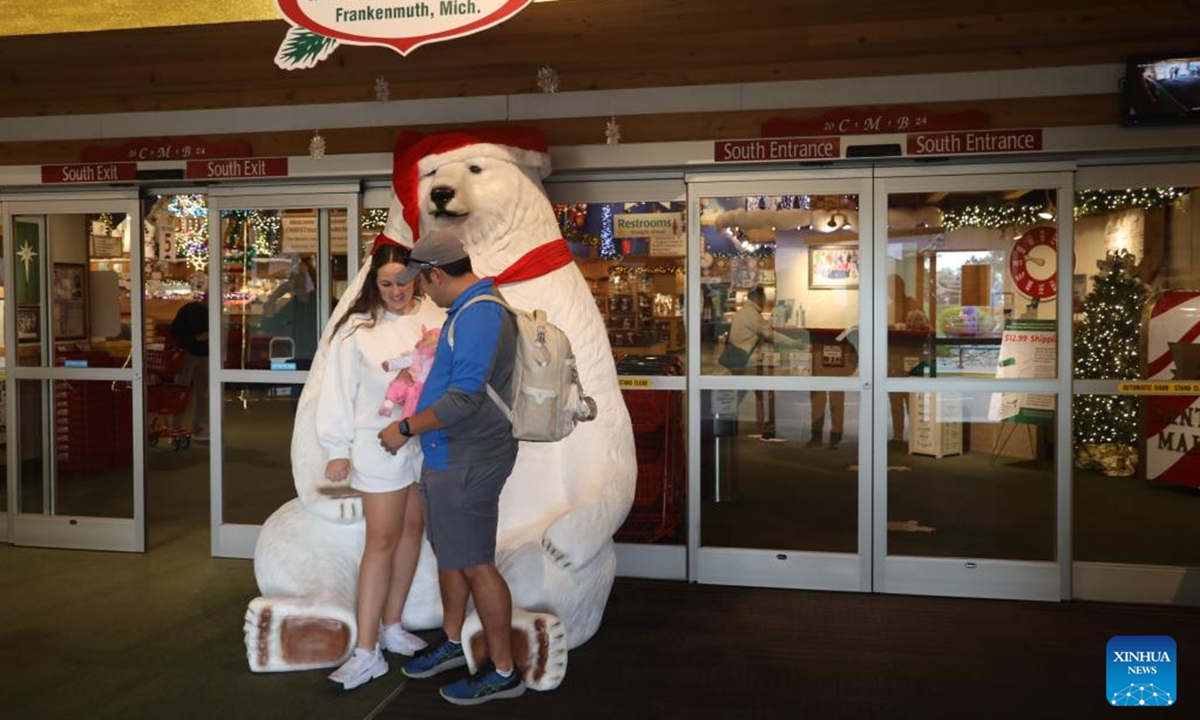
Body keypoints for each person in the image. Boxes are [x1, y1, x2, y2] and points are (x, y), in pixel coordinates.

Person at [377, 229, 525, 706]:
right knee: (455, 556)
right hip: (451, 454)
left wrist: (404, 428)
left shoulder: (480, 314)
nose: (422, 290)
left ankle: (503, 670)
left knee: (476, 562)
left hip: (468, 456)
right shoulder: (470, 310)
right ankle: (454, 640)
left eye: (423, 281)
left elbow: (464, 398)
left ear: (438, 273)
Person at [319, 240, 446, 691]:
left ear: (420, 277)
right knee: (382, 541)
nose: (397, 291)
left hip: (428, 442)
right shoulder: (356, 330)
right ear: (373, 283)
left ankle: (392, 626)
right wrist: (336, 448)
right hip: (379, 445)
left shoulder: (438, 317)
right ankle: (366, 651)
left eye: (405, 281)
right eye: (387, 283)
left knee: (414, 531)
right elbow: (335, 392)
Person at [722, 285, 777, 440]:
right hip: (748, 362)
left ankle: (727, 425)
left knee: (739, 394)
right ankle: (768, 427)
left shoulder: (742, 313)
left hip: (737, 360)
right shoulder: (752, 315)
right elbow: (769, 335)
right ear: (758, 298)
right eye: (764, 298)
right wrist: (794, 343)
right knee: (764, 394)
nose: (765, 301)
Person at [169, 300, 209, 443]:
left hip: (197, 353)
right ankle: (183, 428)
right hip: (190, 353)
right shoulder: (191, 311)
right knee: (189, 392)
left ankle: (182, 428)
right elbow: (176, 331)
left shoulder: (190, 309)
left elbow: (175, 331)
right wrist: (198, 338)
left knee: (184, 391)